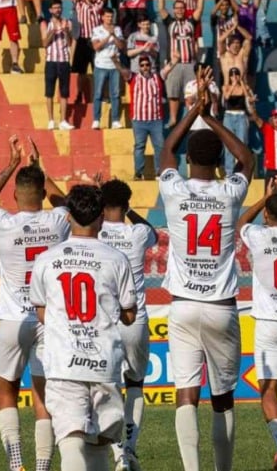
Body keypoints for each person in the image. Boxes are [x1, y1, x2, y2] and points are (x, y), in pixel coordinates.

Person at [158, 78, 255, 471]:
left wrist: (192, 113)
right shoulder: (230, 192)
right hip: (220, 305)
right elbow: (247, 158)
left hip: (182, 305)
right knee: (223, 397)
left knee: (186, 392)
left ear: (187, 162)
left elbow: (165, 148)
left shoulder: (174, 189)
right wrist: (212, 117)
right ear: (219, 164)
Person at [0, 135, 69, 471]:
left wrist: (13, 163)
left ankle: (16, 464)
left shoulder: (4, 223)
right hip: (48, 320)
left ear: (14, 196)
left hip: (13, 319)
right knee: (43, 397)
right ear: (43, 194)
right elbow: (64, 200)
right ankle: (43, 466)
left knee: (6, 392)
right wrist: (38, 166)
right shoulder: (58, 221)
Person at [29, 185, 137, 471]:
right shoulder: (116, 259)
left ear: (67, 217)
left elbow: (41, 312)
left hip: (65, 360)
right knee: (101, 441)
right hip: (103, 359)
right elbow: (129, 314)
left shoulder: (46, 259)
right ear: (101, 217)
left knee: (70, 437)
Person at [236, 176, 277, 469]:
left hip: (267, 320)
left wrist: (266, 197)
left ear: (266, 214)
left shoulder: (257, 235)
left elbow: (240, 223)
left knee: (268, 386)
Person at [97, 179, 158, 471]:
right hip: (135, 319)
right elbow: (153, 232)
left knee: (108, 386)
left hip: (103, 320)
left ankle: (118, 451)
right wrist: (130, 211)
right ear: (126, 203)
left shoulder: (93, 233)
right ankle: (131, 450)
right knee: (135, 384)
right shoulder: (137, 233)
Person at [159, 0, 205, 127]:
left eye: (182, 8)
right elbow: (161, 8)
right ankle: (173, 118)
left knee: (191, 93)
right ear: (173, 10)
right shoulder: (170, 22)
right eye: (177, 8)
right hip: (174, 64)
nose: (179, 10)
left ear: (185, 10)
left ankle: (190, 118)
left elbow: (199, 10)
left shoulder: (191, 22)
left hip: (190, 63)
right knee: (173, 93)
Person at [114, 54, 166, 180]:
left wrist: (175, 61)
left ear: (150, 66)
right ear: (139, 67)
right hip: (139, 120)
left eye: (147, 65)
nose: (145, 67)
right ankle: (138, 173)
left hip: (156, 119)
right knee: (139, 147)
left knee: (159, 146)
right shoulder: (133, 78)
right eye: (142, 65)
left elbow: (168, 69)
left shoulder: (157, 77)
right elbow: (122, 71)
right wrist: (115, 61)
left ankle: (159, 172)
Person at [72, 0, 108, 105]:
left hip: (95, 41)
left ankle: (100, 95)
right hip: (83, 39)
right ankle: (79, 94)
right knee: (81, 71)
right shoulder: (80, 4)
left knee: (98, 69)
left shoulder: (98, 3)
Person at [42, 0, 75, 130]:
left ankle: (63, 120)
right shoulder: (46, 24)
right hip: (51, 60)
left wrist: (66, 31)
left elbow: (70, 42)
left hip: (64, 60)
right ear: (50, 10)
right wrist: (53, 31)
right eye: (55, 8)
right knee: (49, 92)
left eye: (59, 7)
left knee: (64, 92)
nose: (58, 10)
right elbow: (44, 43)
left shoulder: (67, 22)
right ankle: (51, 120)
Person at [91, 7, 126, 129]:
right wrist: (108, 37)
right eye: (107, 16)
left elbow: (121, 46)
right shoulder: (97, 30)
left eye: (111, 16)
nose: (109, 19)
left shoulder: (118, 29)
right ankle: (96, 119)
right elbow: (96, 47)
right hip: (101, 65)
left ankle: (115, 120)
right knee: (98, 93)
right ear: (102, 17)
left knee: (115, 94)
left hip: (114, 65)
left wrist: (114, 35)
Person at [220, 68, 255, 175]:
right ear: (229, 77)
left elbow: (247, 96)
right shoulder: (225, 87)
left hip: (241, 115)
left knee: (242, 143)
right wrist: (233, 85)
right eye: (232, 75)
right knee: (228, 144)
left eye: (236, 75)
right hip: (229, 116)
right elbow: (226, 97)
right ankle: (229, 172)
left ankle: (242, 169)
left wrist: (242, 84)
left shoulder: (245, 87)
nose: (234, 77)